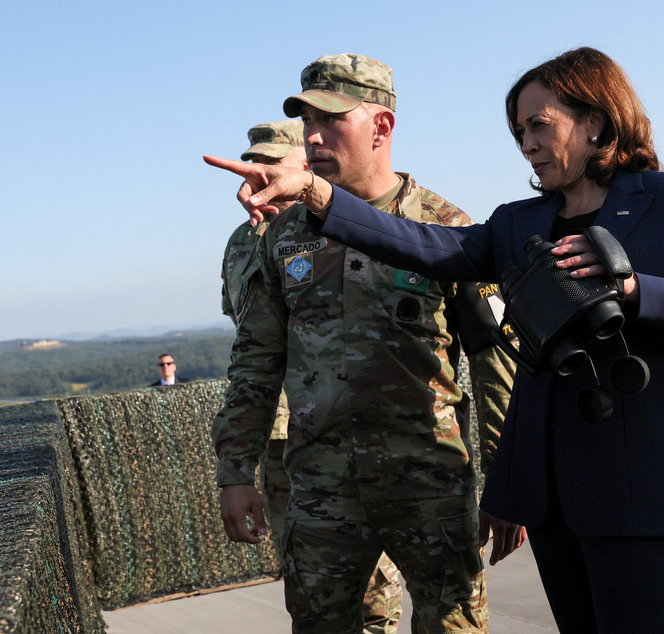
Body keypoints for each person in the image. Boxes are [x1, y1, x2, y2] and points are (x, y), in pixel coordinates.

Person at [205, 47, 664, 633]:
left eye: (539, 125)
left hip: (636, 483)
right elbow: (419, 244)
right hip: (552, 493)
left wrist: (632, 287)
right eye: (518, 129)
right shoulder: (517, 223)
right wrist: (317, 195)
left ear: (595, 121)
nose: (525, 142)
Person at [211, 53, 519, 633]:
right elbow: (255, 361)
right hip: (321, 491)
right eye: (307, 122)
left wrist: (510, 478)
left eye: (332, 120)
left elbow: (494, 359)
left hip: (429, 486)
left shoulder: (444, 227)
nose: (314, 137)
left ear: (381, 127)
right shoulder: (282, 237)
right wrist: (235, 470)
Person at [221, 119, 404, 633]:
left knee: (374, 593)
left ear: (305, 168)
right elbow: (251, 346)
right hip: (288, 440)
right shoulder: (244, 243)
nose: (258, 179)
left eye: (272, 168)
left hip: (367, 441)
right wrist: (238, 463)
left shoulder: (359, 225)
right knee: (308, 582)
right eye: (253, 167)